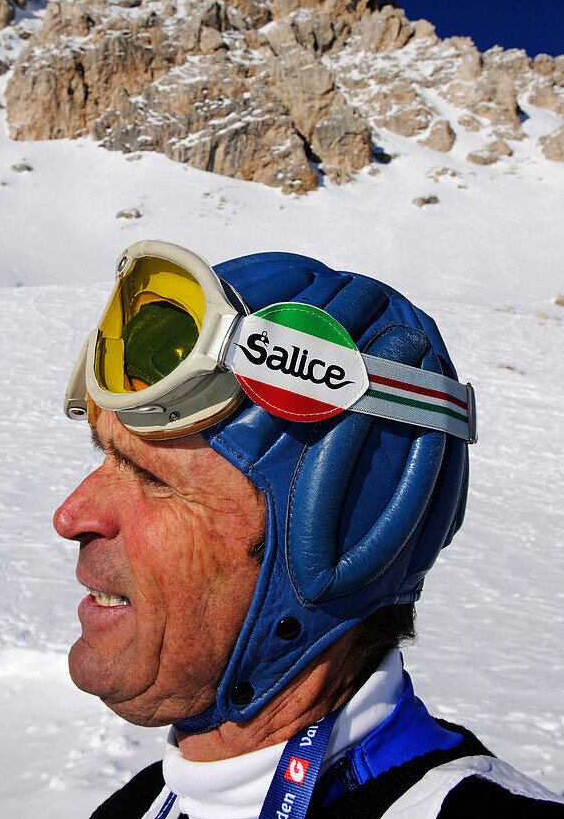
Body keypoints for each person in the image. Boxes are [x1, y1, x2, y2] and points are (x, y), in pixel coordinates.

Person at [54, 241, 562, 818]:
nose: (71, 516)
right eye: (105, 457)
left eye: (155, 478)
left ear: (340, 545)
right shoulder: (139, 805)